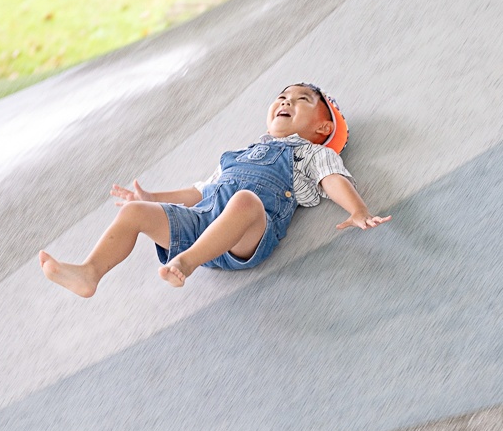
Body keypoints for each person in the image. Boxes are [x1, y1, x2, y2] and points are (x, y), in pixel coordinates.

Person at [39, 83, 390, 295]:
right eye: (282, 97)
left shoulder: (310, 153)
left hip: (245, 235)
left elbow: (333, 179)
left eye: (302, 100)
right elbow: (200, 191)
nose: (286, 102)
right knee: (134, 214)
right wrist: (151, 199)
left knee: (245, 201)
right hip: (201, 223)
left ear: (322, 128)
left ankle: (186, 263)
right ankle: (90, 273)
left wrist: (357, 210)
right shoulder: (239, 155)